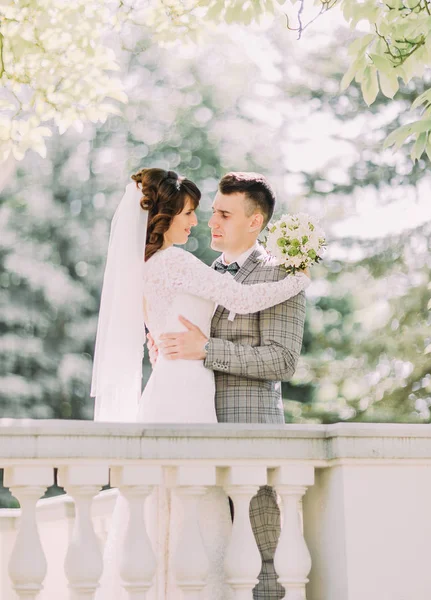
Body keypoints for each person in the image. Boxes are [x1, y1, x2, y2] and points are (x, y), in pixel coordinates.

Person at [91, 168, 311, 600]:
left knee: (173, 514)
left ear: (253, 220)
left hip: (181, 396)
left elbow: (282, 358)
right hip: (186, 395)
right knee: (194, 509)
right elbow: (241, 299)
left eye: (215, 213)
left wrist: (172, 343)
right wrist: (300, 279)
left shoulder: (147, 265)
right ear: (166, 214)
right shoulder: (177, 262)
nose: (200, 222)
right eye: (192, 212)